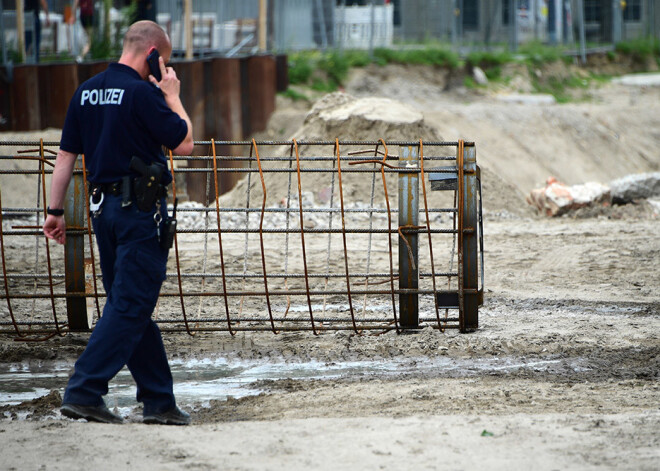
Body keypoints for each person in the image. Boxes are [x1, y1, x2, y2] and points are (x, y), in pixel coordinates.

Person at [43, 20, 194, 425]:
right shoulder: (143, 93)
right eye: (164, 60)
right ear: (153, 55)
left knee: (131, 303)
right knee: (130, 304)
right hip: (139, 213)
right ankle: (85, 391)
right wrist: (173, 96)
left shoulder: (86, 91)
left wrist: (55, 211)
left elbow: (65, 158)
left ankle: (159, 402)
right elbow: (184, 142)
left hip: (101, 212)